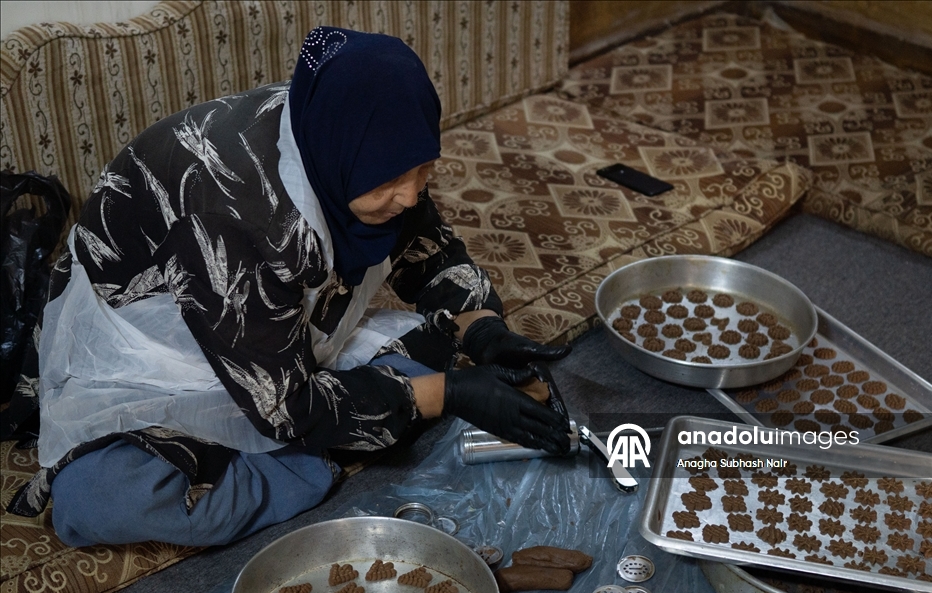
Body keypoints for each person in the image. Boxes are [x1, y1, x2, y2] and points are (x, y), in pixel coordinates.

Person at [7, 27, 571, 547]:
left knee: (436, 359)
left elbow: (426, 248)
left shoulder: (335, 127)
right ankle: (307, 461)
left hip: (257, 327)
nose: (411, 195)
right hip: (148, 348)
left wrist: (485, 332)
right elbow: (285, 408)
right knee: (100, 501)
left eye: (423, 170)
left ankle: (360, 413)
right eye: (393, 180)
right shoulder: (241, 217)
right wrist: (451, 393)